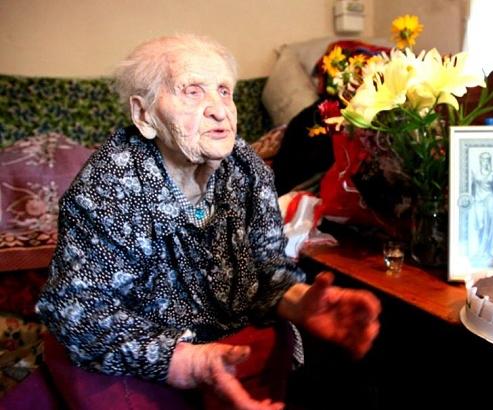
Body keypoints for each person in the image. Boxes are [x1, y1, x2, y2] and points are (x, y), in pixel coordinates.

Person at [36, 34, 381, 410]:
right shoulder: (110, 184)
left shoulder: (245, 167)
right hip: (132, 359)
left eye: (224, 91)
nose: (219, 110)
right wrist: (190, 363)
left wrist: (300, 301)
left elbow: (268, 268)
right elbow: (78, 312)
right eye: (193, 91)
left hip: (216, 342)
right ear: (144, 115)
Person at [471, 152, 493, 259]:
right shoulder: (476, 174)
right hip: (479, 201)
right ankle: (480, 250)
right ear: (480, 161)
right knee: (480, 225)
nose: (485, 162)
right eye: (483, 160)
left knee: (489, 226)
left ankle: (487, 251)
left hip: (490, 200)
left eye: (487, 160)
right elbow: (473, 188)